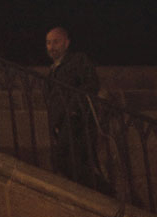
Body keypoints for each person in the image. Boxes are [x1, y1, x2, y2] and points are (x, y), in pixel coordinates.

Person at [45, 27, 110, 194]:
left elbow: (90, 84)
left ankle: (105, 191)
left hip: (77, 120)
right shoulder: (52, 71)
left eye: (56, 42)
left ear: (67, 43)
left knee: (61, 158)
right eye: (48, 43)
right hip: (62, 124)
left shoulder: (77, 60)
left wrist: (74, 110)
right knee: (75, 162)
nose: (52, 46)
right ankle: (100, 192)